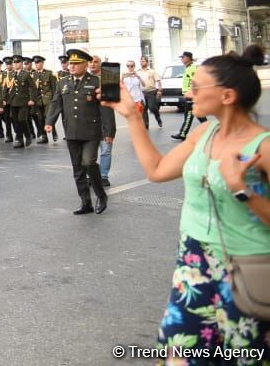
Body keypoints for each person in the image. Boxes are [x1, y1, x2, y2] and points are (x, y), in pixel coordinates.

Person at [108, 45, 269, 358]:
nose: (189, 93)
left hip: (248, 266)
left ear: (227, 96)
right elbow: (156, 170)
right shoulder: (205, 133)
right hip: (194, 263)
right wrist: (132, 116)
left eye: (196, 86)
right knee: (178, 352)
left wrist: (241, 188)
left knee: (245, 355)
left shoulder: (263, 145)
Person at [44, 49, 113, 215]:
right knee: (78, 169)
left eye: (76, 64)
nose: (72, 66)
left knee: (88, 162)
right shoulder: (63, 82)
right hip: (72, 131)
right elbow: (55, 103)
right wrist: (49, 122)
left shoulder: (96, 82)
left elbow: (106, 108)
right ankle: (85, 202)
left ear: (85, 64)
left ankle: (101, 196)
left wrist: (109, 131)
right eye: (70, 63)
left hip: (91, 131)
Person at [89, 55, 117, 187]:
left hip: (106, 122)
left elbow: (113, 103)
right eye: (90, 62)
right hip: (89, 123)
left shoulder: (109, 78)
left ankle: (104, 176)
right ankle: (92, 177)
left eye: (96, 62)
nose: (93, 64)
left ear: (100, 64)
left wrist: (110, 131)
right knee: (90, 154)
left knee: (105, 151)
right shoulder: (86, 79)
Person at [173, 51, 203, 141]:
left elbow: (196, 82)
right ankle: (211, 130)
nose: (181, 59)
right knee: (198, 115)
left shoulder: (192, 69)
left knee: (189, 115)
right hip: (189, 95)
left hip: (191, 96)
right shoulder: (188, 68)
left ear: (188, 58)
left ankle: (183, 134)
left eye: (183, 57)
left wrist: (193, 93)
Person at [137, 56, 162, 128]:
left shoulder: (152, 71)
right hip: (142, 93)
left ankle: (158, 117)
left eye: (143, 61)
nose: (141, 62)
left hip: (151, 92)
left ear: (147, 62)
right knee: (144, 109)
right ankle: (146, 125)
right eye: (141, 61)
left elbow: (158, 81)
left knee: (152, 107)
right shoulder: (138, 71)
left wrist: (159, 90)